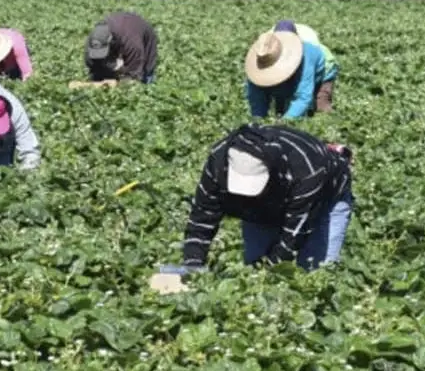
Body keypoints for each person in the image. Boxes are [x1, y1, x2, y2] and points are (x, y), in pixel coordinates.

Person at [151, 124, 354, 291]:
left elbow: (294, 236)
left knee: (315, 270)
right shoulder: (218, 163)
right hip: (267, 203)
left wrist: (267, 277)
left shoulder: (307, 170)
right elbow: (202, 217)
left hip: (326, 196)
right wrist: (192, 267)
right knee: (255, 262)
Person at [244, 27, 338, 119]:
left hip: (323, 70)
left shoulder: (306, 57)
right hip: (294, 73)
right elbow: (256, 99)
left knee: (321, 105)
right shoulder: (261, 59)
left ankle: (326, 123)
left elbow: (303, 97)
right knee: (280, 110)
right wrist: (258, 121)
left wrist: (286, 122)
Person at [274, 20, 340, 112]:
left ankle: (330, 120)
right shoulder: (273, 50)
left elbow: (304, 96)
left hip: (325, 69)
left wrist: (288, 120)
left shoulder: (306, 53)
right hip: (304, 64)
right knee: (281, 103)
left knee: (321, 104)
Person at [85, 12, 158, 84]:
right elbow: (92, 64)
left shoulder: (132, 43)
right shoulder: (94, 38)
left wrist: (125, 82)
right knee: (100, 72)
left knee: (144, 74)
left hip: (141, 35)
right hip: (119, 33)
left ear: (111, 40)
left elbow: (135, 76)